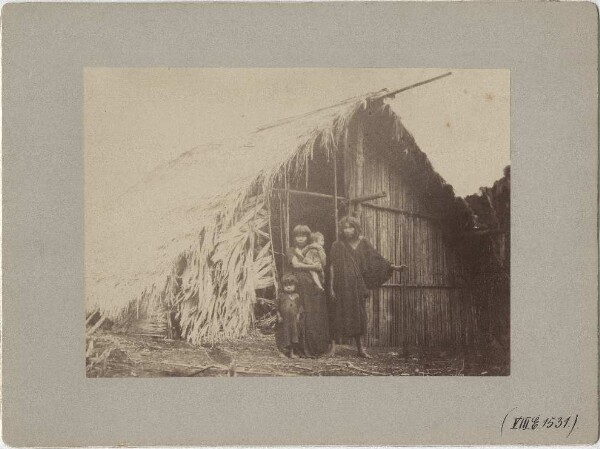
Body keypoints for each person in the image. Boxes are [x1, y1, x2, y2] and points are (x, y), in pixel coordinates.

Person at [328, 216, 406, 358]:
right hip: (341, 285)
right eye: (345, 227)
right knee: (338, 314)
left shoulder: (363, 243)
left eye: (351, 227)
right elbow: (332, 266)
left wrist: (394, 267)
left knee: (360, 315)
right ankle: (332, 348)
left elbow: (377, 259)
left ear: (356, 228)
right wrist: (331, 287)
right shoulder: (337, 245)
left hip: (358, 286)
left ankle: (360, 349)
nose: (347, 230)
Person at [285, 225, 330, 357]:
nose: (300, 238)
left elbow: (322, 262)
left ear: (307, 237)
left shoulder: (313, 249)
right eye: (298, 236)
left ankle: (316, 347)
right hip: (298, 285)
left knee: (314, 314)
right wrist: (313, 266)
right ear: (294, 237)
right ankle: (299, 348)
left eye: (303, 236)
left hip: (313, 286)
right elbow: (296, 265)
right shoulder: (291, 250)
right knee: (300, 314)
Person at [276, 273, 303, 358]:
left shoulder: (297, 296)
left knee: (293, 336)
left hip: (293, 321)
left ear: (295, 286)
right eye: (286, 285)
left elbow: (299, 307)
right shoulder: (281, 296)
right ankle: (282, 352)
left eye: (291, 285)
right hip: (284, 321)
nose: (288, 287)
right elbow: (277, 307)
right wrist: (279, 316)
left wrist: (298, 315)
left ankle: (291, 353)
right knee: (283, 335)